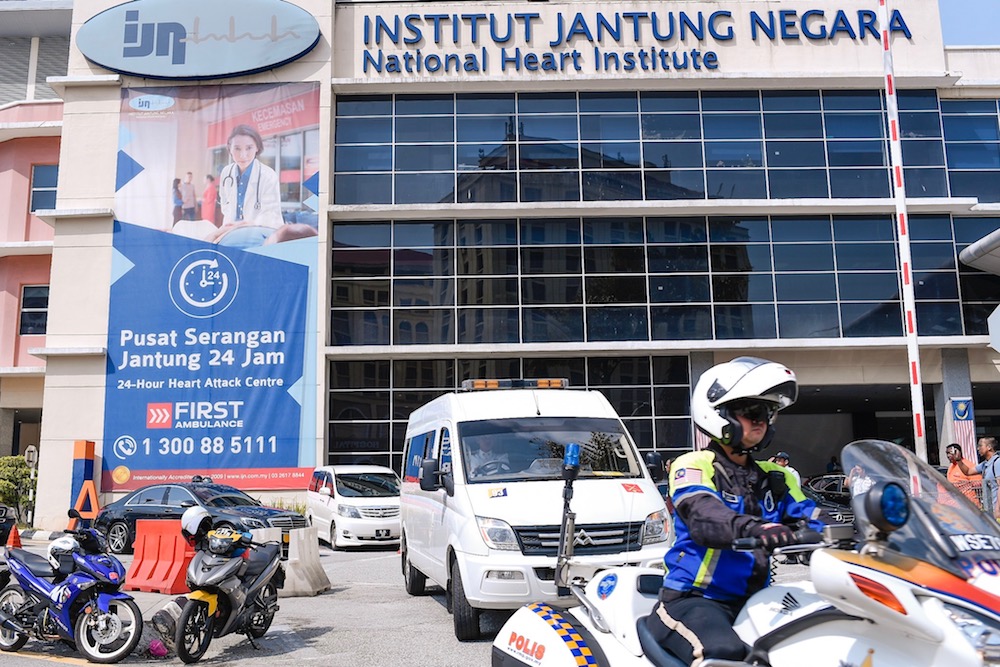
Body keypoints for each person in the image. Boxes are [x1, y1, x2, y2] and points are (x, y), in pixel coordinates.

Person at [645, 357, 822, 665]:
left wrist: (866, 534)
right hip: (693, 600)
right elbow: (705, 516)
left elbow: (814, 517)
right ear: (718, 414)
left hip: (756, 600)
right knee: (724, 653)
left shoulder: (773, 476)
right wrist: (756, 528)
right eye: (750, 412)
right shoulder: (695, 465)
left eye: (766, 413)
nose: (760, 421)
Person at [217, 124, 283, 230]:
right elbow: (225, 205)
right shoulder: (226, 173)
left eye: (249, 148)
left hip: (260, 231)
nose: (243, 155)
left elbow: (271, 214)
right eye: (237, 148)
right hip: (231, 231)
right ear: (230, 149)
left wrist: (248, 223)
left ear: (257, 147)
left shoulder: (268, 175)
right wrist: (232, 224)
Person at [957, 436, 1000, 517]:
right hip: (990, 510)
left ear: (989, 447)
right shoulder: (985, 464)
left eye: (980, 445)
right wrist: (959, 460)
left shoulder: (997, 462)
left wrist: (997, 509)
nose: (978, 448)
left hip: (996, 511)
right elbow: (968, 471)